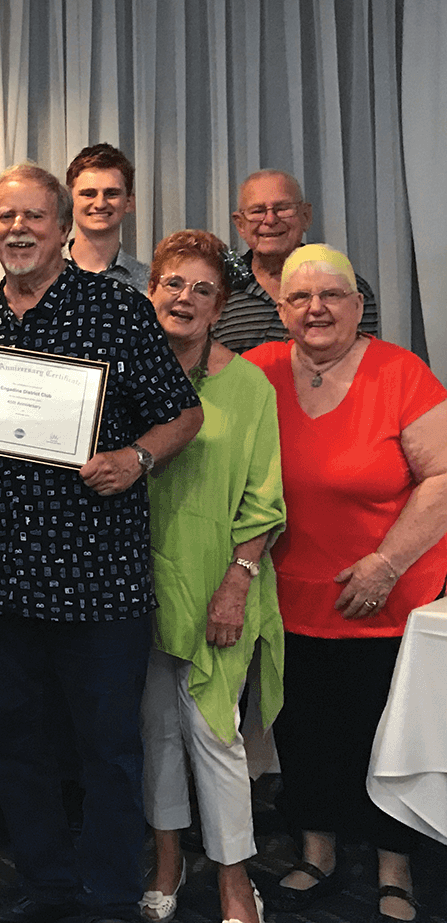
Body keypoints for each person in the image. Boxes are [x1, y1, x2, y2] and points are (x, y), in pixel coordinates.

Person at [0, 163, 202, 923]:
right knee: (14, 746)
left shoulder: (115, 309)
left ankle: (109, 893)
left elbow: (183, 414)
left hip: (97, 576)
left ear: (61, 226)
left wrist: (135, 459)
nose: (18, 230)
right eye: (4, 216)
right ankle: (44, 886)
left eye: (34, 218)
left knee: (107, 750)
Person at [242, 245, 447, 923]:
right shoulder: (259, 370)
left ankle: (395, 864)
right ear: (281, 311)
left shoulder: (400, 372)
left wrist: (386, 563)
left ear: (359, 307)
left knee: (382, 731)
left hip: (386, 593)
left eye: (332, 295)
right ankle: (317, 849)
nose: (316, 308)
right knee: (302, 731)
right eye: (300, 299)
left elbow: (443, 475)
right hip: (290, 595)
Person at [138, 231, 286, 923]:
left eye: (202, 289)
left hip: (219, 584)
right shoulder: (128, 373)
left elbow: (264, 495)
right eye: (173, 283)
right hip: (134, 583)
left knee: (215, 736)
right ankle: (167, 860)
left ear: (220, 306)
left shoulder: (249, 383)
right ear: (151, 291)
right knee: (155, 733)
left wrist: (238, 581)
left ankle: (234, 879)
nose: (185, 298)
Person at [213, 169, 379, 352]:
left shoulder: (348, 288)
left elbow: (364, 364)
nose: (270, 220)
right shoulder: (214, 288)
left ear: (306, 216)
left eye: (283, 208)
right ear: (240, 225)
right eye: (258, 211)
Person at [65, 143, 150, 291]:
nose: (100, 204)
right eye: (88, 194)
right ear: (70, 201)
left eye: (111, 194)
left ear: (129, 202)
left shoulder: (149, 283)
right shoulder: (41, 275)